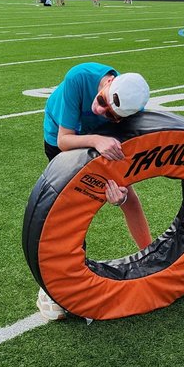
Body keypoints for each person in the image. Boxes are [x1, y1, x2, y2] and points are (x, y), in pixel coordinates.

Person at [39, 64, 151, 319]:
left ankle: (153, 257)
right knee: (66, 206)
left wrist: (119, 193)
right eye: (102, 101)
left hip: (101, 139)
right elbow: (64, 140)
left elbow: (125, 164)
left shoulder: (132, 106)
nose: (99, 110)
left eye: (110, 114)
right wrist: (96, 139)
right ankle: (52, 281)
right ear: (108, 82)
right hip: (62, 136)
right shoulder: (80, 78)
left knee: (128, 197)